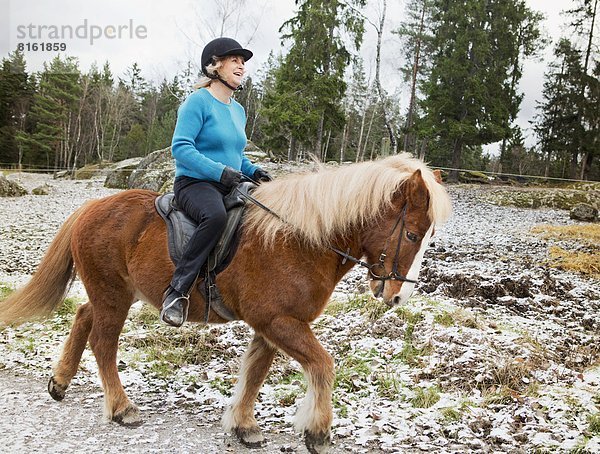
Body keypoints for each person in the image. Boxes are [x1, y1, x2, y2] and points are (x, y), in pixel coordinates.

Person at [160, 37, 272, 327]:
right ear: (214, 65)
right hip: (194, 184)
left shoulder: (238, 110)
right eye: (235, 59)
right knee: (215, 215)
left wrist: (254, 170)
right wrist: (220, 172)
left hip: (228, 183)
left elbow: (235, 155)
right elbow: (181, 148)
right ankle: (177, 291)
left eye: (243, 61)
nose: (241, 65)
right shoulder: (197, 102)